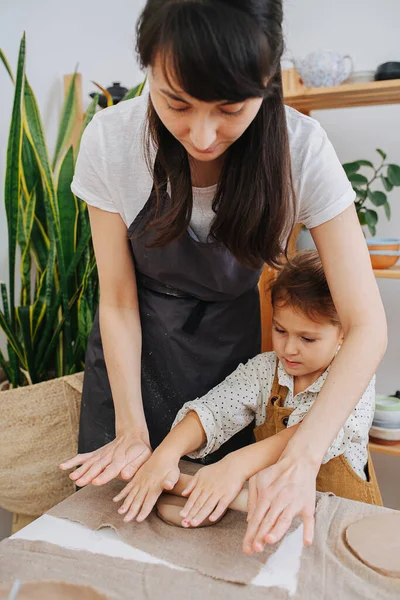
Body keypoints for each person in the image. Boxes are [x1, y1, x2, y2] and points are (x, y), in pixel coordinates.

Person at [60, 0, 387, 550]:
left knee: (215, 543)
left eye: (231, 108)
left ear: (267, 80)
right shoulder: (111, 142)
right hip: (131, 362)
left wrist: (302, 456)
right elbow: (116, 302)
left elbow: (366, 324)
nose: (203, 135)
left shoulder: (302, 150)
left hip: (225, 359)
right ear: (148, 68)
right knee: (115, 539)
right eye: (177, 104)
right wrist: (133, 431)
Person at [110, 251, 382, 554]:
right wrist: (166, 453)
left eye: (307, 339)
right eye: (280, 330)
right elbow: (215, 409)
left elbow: (314, 434)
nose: (289, 348)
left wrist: (235, 465)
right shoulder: (266, 369)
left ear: (345, 332)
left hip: (342, 528)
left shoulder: (356, 379)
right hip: (279, 531)